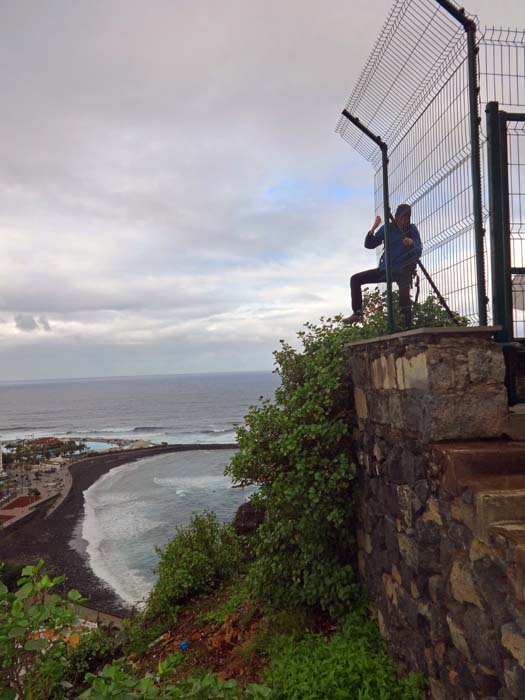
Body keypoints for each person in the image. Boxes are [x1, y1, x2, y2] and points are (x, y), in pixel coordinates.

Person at [343, 203, 422, 328]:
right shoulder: (389, 228)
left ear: (409, 219)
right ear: (396, 217)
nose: (402, 221)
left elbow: (419, 250)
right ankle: (357, 313)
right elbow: (369, 244)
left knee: (404, 297)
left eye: (405, 219)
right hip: (386, 268)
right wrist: (374, 227)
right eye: (400, 218)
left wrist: (411, 242)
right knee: (355, 279)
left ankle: (407, 325)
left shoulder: (411, 229)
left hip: (404, 269)